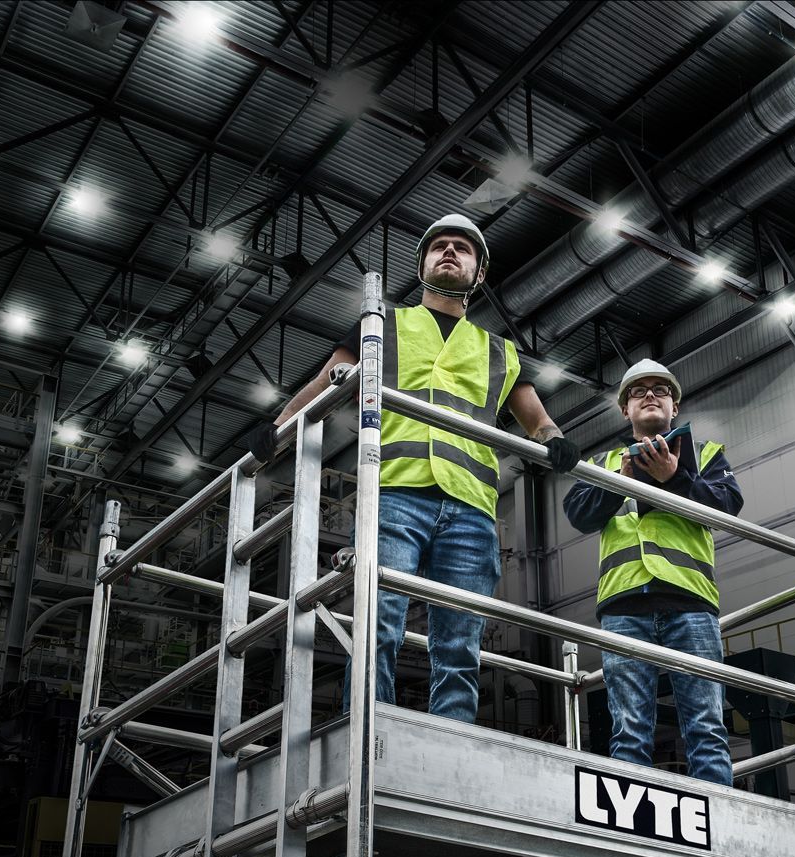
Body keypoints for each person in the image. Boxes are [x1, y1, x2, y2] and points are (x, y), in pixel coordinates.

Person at [247, 214, 580, 723]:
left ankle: (449, 740)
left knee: (460, 643)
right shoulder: (382, 325)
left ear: (479, 273)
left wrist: (555, 440)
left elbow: (538, 421)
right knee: (378, 621)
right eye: (439, 246)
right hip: (394, 493)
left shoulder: (501, 351)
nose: (449, 252)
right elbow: (324, 385)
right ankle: (369, 731)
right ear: (422, 264)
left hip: (471, 507)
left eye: (462, 248)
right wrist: (277, 427)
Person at [562, 359, 742, 785]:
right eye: (638, 391)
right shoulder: (603, 462)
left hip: (689, 601)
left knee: (706, 726)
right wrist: (621, 480)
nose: (649, 395)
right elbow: (579, 514)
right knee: (629, 730)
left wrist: (675, 477)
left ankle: (718, 820)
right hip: (624, 604)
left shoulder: (706, 455)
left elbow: (727, 507)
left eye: (660, 390)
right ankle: (634, 822)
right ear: (625, 409)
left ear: (674, 407)